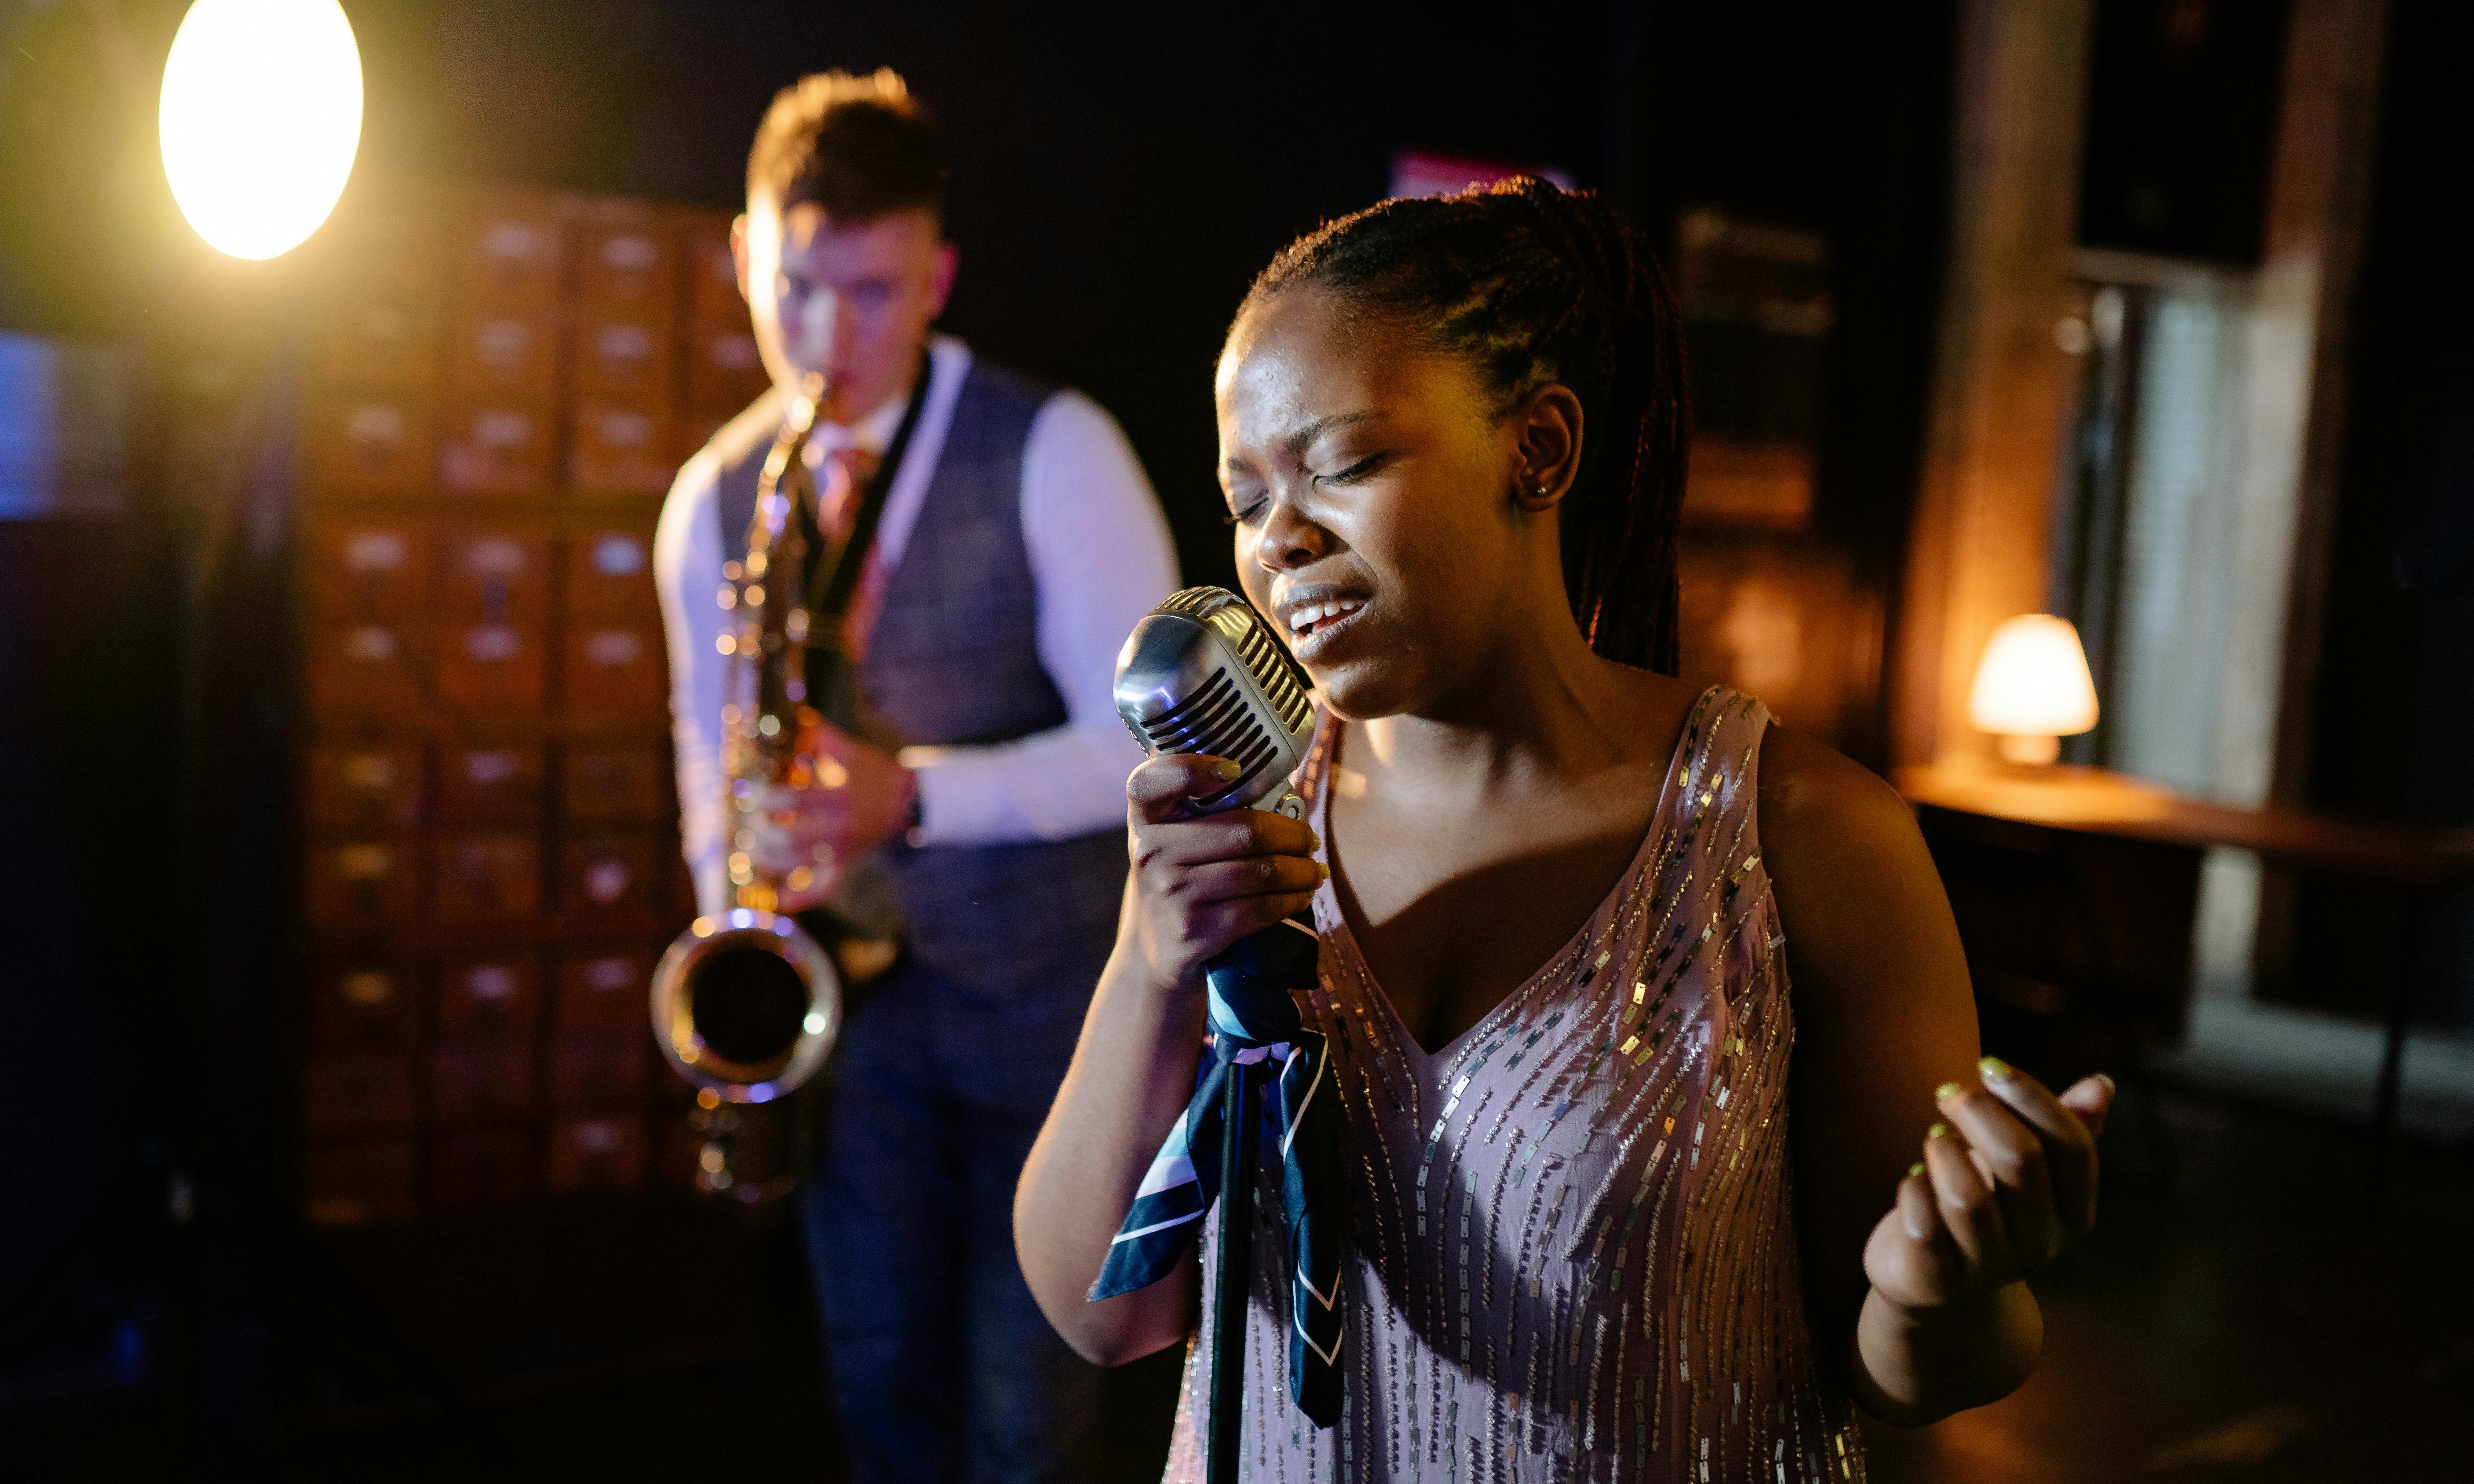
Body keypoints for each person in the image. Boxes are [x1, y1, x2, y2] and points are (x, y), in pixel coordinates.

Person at [1012, 177, 2116, 1482]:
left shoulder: (1801, 839)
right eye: (1246, 499)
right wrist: (1153, 964)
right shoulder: (1246, 819)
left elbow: (1917, 1369)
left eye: (1344, 465)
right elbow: (1105, 1314)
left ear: (1538, 450)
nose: (1282, 541)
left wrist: (1935, 1291)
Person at [655, 69, 1179, 1484]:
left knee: (1031, 1428)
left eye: (872, 293)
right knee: (881, 1403)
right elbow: (711, 754)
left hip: (1048, 1023)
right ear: (744, 256)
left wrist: (913, 799)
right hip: (855, 1035)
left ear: (938, 275)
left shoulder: (1055, 446)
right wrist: (744, 928)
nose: (826, 337)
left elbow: (1152, 746)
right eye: (795, 286)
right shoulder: (712, 495)